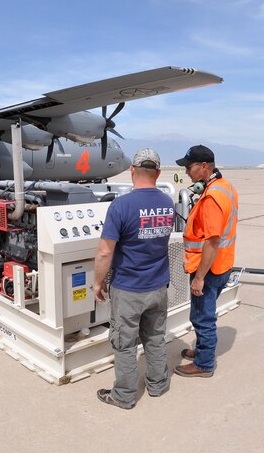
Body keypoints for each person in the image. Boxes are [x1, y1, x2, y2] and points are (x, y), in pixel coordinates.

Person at [93, 148, 175, 409]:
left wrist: (98, 282)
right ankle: (158, 385)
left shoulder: (121, 206)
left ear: (131, 170)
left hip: (129, 288)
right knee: (154, 337)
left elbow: (105, 252)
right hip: (158, 286)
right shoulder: (167, 203)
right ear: (158, 173)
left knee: (125, 344)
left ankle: (125, 395)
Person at [174, 145, 238, 378]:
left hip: (209, 269)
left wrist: (199, 278)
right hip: (223, 264)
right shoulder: (225, 187)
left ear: (204, 167)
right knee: (204, 314)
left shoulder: (211, 198)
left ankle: (204, 363)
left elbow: (211, 242)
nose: (187, 172)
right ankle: (202, 350)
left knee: (202, 317)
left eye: (189, 167)